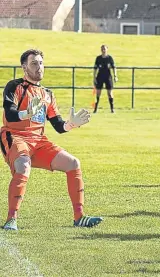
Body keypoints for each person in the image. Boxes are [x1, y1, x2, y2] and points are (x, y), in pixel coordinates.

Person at [1, 49, 103, 230]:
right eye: (34, 63)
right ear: (24, 67)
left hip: (38, 141)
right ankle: (11, 219)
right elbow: (9, 114)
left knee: (73, 163)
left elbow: (58, 125)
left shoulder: (47, 94)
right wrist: (27, 113)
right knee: (24, 166)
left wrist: (71, 124)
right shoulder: (14, 86)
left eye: (41, 63)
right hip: (15, 136)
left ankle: (79, 217)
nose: (39, 67)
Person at [93, 45, 118, 113]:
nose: (103, 50)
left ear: (107, 49)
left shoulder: (110, 58)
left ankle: (112, 109)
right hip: (100, 76)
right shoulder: (98, 58)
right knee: (98, 93)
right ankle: (95, 109)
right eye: (102, 49)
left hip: (108, 77)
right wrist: (94, 78)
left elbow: (114, 67)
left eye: (105, 49)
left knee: (110, 93)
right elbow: (95, 69)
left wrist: (115, 76)